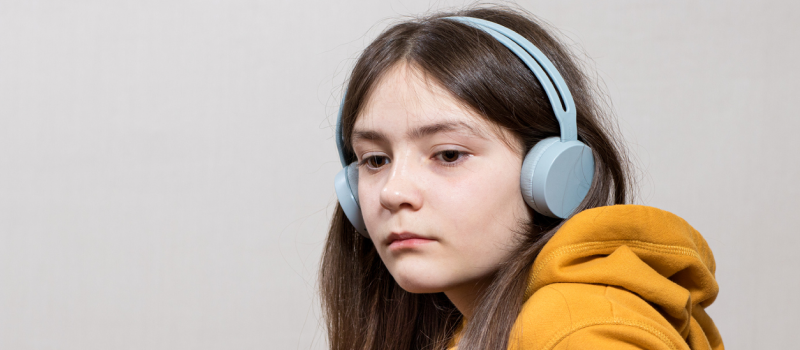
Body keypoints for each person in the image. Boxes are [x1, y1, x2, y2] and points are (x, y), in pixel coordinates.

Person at [320, 5, 723, 350]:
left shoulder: (581, 331)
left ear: (551, 172)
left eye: (448, 154)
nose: (393, 192)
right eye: (374, 160)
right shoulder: (492, 325)